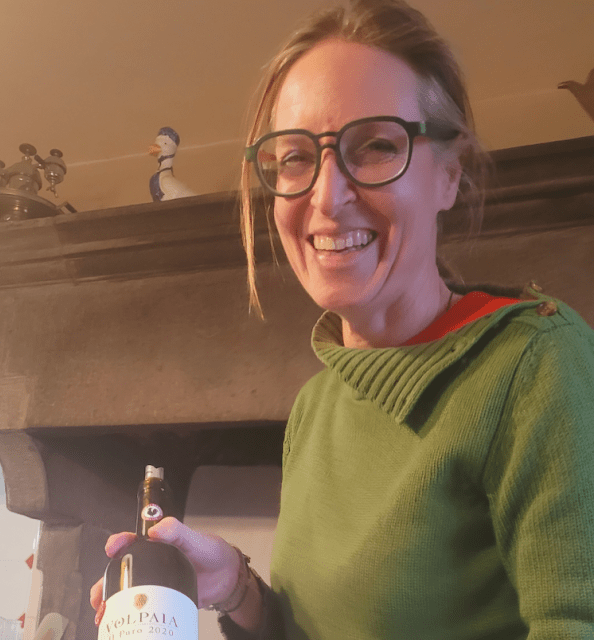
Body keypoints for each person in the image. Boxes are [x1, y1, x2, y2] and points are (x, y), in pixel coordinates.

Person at [91, 0, 594, 638]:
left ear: (449, 175)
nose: (327, 197)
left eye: (377, 146)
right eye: (295, 157)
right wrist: (234, 587)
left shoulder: (536, 365)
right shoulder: (317, 403)